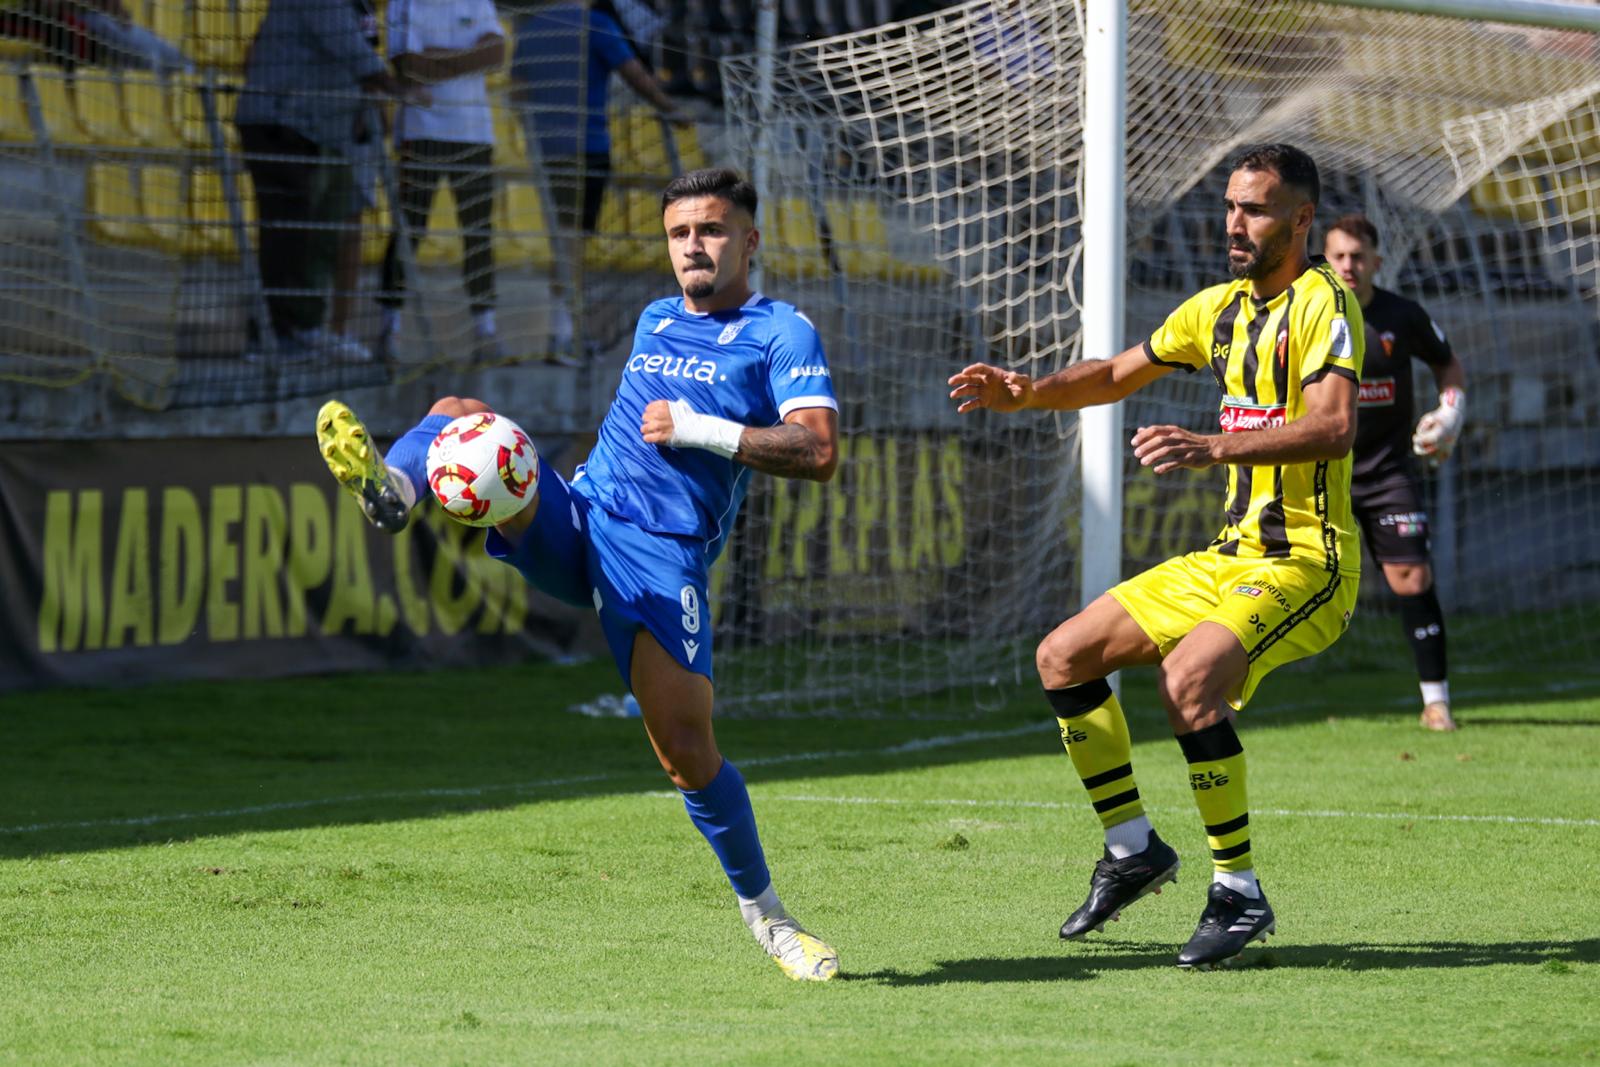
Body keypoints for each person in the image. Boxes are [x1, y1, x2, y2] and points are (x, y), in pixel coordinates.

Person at [313, 168, 842, 981]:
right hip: (581, 512)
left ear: (750, 239)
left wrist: (701, 428)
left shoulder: (781, 332)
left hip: (661, 555)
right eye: (679, 233)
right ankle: (396, 491)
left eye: (710, 229)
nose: (693, 246)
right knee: (461, 414)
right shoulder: (655, 316)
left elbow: (818, 450)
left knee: (686, 751)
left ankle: (770, 920)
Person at [948, 143, 1364, 970]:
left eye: (1254, 209)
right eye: (1230, 206)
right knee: (1063, 654)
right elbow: (1113, 373)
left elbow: (1334, 425)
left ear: (1301, 219)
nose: (1234, 224)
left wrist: (1214, 446)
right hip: (1228, 556)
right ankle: (1132, 848)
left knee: (1188, 680)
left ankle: (1238, 891)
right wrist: (1027, 392)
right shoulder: (1217, 309)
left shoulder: (1327, 302)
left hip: (1307, 563)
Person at [1323, 214, 1467, 732]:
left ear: (1376, 262)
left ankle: (1436, 702)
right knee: (1282, 581)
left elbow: (1447, 364)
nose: (1348, 266)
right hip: (1320, 474)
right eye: (1339, 256)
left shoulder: (1403, 315)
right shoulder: (1309, 315)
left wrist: (1450, 413)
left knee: (1413, 578)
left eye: (1358, 256)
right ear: (1325, 261)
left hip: (1388, 474)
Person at [234, 0, 415, 363]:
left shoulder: (357, 8)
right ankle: (271, 336)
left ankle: (297, 329)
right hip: (278, 124)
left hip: (309, 129)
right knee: (285, 230)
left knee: (303, 230)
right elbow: (350, 49)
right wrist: (399, 90)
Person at [510, 0, 686, 363]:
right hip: (586, 146)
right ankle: (563, 336)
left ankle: (565, 332)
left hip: (547, 148)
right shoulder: (596, 24)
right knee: (573, 239)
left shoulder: (531, 27)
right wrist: (672, 109)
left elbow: (518, 89)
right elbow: (635, 75)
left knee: (565, 235)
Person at [376, 0, 506, 364]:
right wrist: (469, 56)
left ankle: (485, 329)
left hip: (474, 134)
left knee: (478, 232)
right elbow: (408, 67)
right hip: (420, 132)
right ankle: (389, 326)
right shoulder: (404, 5)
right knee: (409, 229)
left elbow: (496, 54)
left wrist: (436, 60)